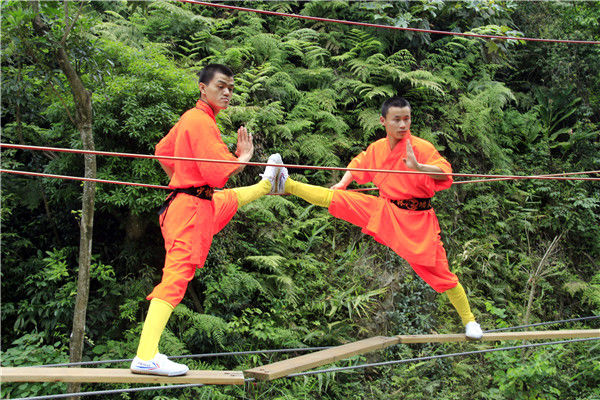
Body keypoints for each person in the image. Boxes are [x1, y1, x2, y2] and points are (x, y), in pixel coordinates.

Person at [274, 97, 483, 339]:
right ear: (383, 121)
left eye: (407, 119)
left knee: (442, 274)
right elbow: (359, 164)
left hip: (418, 222)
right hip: (386, 210)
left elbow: (445, 172)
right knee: (338, 199)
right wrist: (343, 183)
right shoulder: (377, 149)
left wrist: (418, 167)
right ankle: (285, 183)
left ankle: (469, 321)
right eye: (397, 120)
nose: (403, 125)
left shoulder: (422, 147)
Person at [130, 64, 282, 376]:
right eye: (221, 86)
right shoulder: (199, 120)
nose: (227, 93)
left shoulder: (194, 117)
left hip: (198, 203)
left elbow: (162, 151)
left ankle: (268, 184)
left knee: (228, 200)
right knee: (175, 279)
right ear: (203, 88)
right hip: (189, 212)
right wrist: (243, 157)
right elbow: (218, 172)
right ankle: (145, 355)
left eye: (231, 88)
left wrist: (182, 179)